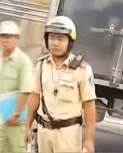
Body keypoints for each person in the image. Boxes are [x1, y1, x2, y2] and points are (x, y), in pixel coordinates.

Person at [25, 15, 97, 153]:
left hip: (68, 135)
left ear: (69, 42)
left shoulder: (81, 69)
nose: (55, 43)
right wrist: (27, 126)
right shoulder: (41, 65)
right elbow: (34, 97)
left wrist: (89, 140)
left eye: (60, 39)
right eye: (51, 38)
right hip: (43, 132)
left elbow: (89, 106)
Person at [0, 20, 33, 153]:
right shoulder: (1, 58)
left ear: (17, 39)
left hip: (17, 120)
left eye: (10, 36)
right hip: (3, 118)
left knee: (17, 149)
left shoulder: (23, 61)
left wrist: (16, 115)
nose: (6, 40)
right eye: (3, 36)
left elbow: (26, 91)